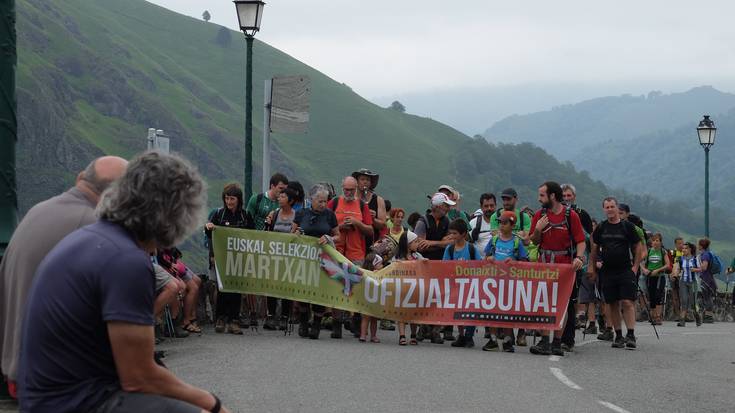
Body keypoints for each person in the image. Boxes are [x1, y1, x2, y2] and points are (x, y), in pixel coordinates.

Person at [18, 151, 231, 413]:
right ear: (171, 214)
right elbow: (139, 376)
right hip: (78, 402)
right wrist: (212, 403)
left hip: (47, 399)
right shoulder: (126, 260)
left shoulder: (93, 238)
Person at [0, 156, 127, 397]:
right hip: (55, 376)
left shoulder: (39, 209)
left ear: (80, 178)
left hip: (17, 366)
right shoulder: (94, 226)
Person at [528, 182, 586, 356]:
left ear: (552, 196)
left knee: (562, 304)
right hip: (544, 264)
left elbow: (581, 241)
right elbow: (534, 241)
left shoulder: (571, 215)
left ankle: (557, 342)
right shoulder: (539, 215)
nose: (539, 199)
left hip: (564, 266)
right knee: (544, 302)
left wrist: (579, 258)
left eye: (542, 195)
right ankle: (545, 341)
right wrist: (538, 229)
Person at [589, 196, 643, 350]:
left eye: (612, 207)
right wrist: (592, 268)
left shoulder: (627, 227)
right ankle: (618, 335)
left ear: (616, 208)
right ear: (604, 209)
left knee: (627, 302)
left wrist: (635, 266)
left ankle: (631, 334)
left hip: (625, 269)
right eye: (607, 207)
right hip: (607, 271)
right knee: (612, 303)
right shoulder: (601, 227)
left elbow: (638, 246)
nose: (610, 210)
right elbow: (594, 249)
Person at [327, 176, 374, 338]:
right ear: (342, 188)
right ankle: (336, 324)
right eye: (346, 189)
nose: (348, 192)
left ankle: (354, 321)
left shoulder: (362, 205)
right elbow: (326, 226)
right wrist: (341, 226)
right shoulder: (333, 203)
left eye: (351, 190)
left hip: (356, 253)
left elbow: (370, 230)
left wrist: (356, 223)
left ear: (356, 190)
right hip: (336, 251)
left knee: (355, 288)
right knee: (336, 287)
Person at [292, 184, 340, 340]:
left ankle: (317, 324)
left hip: (323, 259)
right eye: (320, 201)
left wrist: (329, 238)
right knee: (304, 290)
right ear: (311, 200)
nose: (323, 204)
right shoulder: (301, 214)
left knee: (320, 290)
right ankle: (304, 322)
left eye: (325, 201)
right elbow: (292, 234)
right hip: (304, 259)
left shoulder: (330, 215)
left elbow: (338, 236)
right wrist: (297, 233)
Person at [205, 183, 253, 335]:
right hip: (221, 258)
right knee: (222, 288)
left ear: (238, 199)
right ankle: (220, 318)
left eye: (232, 199)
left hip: (239, 259)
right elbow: (210, 236)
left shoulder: (245, 216)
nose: (229, 202)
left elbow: (253, 236)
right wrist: (208, 228)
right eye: (226, 198)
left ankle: (234, 320)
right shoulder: (218, 214)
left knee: (236, 288)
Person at [245, 173, 289, 327]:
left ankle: (271, 315)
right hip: (256, 246)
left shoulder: (282, 203)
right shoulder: (256, 199)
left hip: (275, 248)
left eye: (285, 191)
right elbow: (247, 220)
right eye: (280, 189)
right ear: (272, 186)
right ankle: (251, 313)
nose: (282, 193)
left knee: (272, 280)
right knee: (252, 280)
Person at [482, 210, 529, 353]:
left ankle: (508, 340)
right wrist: (488, 259)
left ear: (512, 224)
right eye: (500, 222)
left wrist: (514, 261)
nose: (502, 226)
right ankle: (493, 339)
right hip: (494, 281)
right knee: (493, 310)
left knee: (508, 311)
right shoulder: (494, 240)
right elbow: (486, 256)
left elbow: (525, 260)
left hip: (510, 283)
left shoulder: (517, 241)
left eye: (505, 223)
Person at [414, 192, 455, 343]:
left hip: (441, 264)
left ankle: (435, 331)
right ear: (437, 206)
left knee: (439, 297)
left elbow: (451, 240)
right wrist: (440, 242)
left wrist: (433, 243)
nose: (447, 209)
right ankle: (422, 328)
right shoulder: (422, 221)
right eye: (445, 206)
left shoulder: (447, 221)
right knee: (424, 296)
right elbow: (419, 244)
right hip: (425, 264)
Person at [442, 219, 482, 349]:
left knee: (470, 311)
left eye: (454, 233)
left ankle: (469, 336)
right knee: (458, 311)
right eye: (451, 233)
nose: (452, 236)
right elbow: (444, 266)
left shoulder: (471, 248)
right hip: (456, 285)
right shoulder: (450, 249)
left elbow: (480, 265)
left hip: (470, 285)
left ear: (463, 234)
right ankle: (461, 335)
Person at [262, 188, 299, 330]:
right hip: (274, 256)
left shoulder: (296, 216)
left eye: (283, 196)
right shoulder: (274, 214)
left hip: (289, 257)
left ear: (290, 200)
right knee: (271, 285)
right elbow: (267, 233)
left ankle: (284, 316)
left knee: (286, 287)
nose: (279, 198)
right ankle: (271, 315)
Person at [395, 230, 424, 345]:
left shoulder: (417, 256)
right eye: (415, 241)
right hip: (402, 289)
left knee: (414, 313)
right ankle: (402, 335)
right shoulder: (398, 258)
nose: (417, 244)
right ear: (408, 244)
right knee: (401, 312)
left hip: (415, 289)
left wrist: (426, 263)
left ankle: (413, 334)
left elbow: (424, 266)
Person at [642, 233, 671, 325]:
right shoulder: (649, 251)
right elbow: (640, 261)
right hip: (650, 277)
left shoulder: (663, 252)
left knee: (658, 296)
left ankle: (658, 317)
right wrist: (644, 270)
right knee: (652, 297)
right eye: (653, 240)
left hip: (660, 277)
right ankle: (653, 316)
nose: (655, 242)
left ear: (660, 242)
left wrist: (658, 270)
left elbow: (667, 265)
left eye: (657, 240)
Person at [352, 169, 387, 241]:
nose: (365, 182)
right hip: (353, 239)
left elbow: (383, 225)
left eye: (368, 180)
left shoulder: (378, 200)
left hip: (371, 241)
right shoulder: (350, 198)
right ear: (356, 182)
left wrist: (373, 219)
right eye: (362, 179)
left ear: (371, 183)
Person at [359, 252, 384, 343]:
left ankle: (373, 336)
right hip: (367, 298)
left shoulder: (381, 274)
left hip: (375, 299)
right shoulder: (365, 273)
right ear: (374, 264)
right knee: (365, 317)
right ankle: (363, 334)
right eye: (380, 264)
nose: (382, 265)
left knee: (374, 319)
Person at [675, 242, 700, 327]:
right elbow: (678, 268)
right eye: (683, 248)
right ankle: (682, 321)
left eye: (685, 248)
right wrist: (675, 273)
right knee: (684, 301)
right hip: (683, 281)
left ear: (690, 249)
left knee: (693, 303)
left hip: (693, 282)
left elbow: (701, 269)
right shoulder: (681, 258)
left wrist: (695, 270)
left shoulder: (695, 258)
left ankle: (697, 316)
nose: (683, 250)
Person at [468, 193, 497, 257]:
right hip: (479, 264)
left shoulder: (503, 222)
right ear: (481, 207)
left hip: (499, 262)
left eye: (491, 205)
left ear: (496, 206)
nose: (489, 208)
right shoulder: (473, 223)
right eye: (486, 206)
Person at [696, 238, 717, 323]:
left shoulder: (705, 255)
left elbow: (704, 267)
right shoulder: (706, 254)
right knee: (707, 297)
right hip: (708, 278)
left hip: (706, 278)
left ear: (701, 246)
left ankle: (709, 317)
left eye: (699, 245)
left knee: (707, 297)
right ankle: (708, 315)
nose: (698, 246)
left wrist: (695, 268)